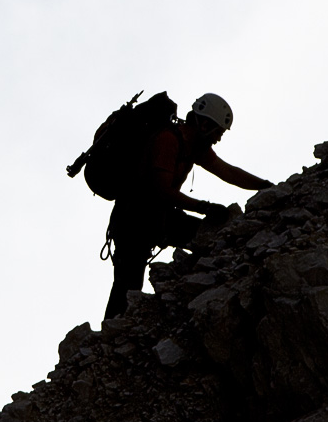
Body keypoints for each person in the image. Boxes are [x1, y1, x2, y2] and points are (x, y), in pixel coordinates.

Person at [104, 94, 272, 319]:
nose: (218, 139)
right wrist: (204, 207)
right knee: (127, 287)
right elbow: (163, 191)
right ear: (204, 125)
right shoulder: (168, 140)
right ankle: (112, 333)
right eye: (218, 133)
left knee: (209, 237)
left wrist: (264, 185)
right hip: (133, 221)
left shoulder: (194, 146)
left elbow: (229, 172)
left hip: (158, 216)